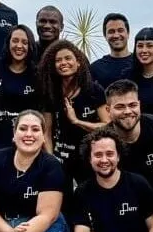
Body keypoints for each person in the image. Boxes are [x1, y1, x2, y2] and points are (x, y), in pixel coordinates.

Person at [39, 39, 109, 192]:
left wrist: (76, 121)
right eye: (58, 60)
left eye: (68, 58)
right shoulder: (51, 92)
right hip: (62, 157)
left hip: (89, 156)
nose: (63, 63)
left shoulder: (93, 90)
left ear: (78, 63)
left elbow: (107, 125)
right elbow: (47, 132)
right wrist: (51, 160)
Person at [104, 80, 153, 196]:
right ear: (108, 110)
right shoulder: (102, 143)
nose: (128, 111)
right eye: (120, 107)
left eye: (132, 105)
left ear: (139, 104)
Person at [0, 24, 41, 151]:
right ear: (8, 43)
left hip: (26, 142)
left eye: (25, 42)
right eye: (15, 41)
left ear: (30, 46)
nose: (19, 46)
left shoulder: (37, 74)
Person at [90, 13, 132, 87]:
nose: (116, 35)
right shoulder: (95, 69)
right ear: (105, 36)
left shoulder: (140, 63)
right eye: (111, 31)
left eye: (120, 30)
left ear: (128, 33)